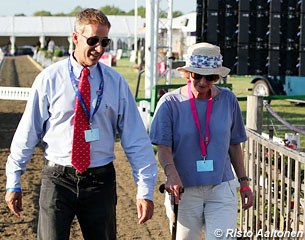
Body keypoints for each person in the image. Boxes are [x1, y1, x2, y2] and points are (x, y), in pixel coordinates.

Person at [5, 8, 157, 240]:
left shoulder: (115, 82)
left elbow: (136, 139)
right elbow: (28, 132)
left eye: (105, 41)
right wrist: (14, 180)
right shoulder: (49, 79)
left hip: (100, 182)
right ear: (75, 37)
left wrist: (145, 189)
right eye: (93, 40)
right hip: (58, 180)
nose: (99, 48)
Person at [150, 42, 254, 240]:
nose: (203, 82)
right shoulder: (170, 103)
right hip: (184, 190)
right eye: (197, 75)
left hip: (221, 188)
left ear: (217, 77)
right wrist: (171, 174)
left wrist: (244, 183)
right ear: (188, 73)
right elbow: (163, 147)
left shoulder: (228, 100)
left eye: (211, 77)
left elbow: (234, 145)